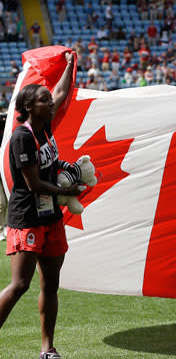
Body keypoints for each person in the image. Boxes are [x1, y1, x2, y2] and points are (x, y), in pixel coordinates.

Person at [0, 52, 84, 359]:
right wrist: (70, 188)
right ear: (27, 107)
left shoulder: (45, 128)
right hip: (27, 217)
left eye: (49, 100)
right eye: (44, 100)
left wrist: (71, 64)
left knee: (51, 285)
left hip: (50, 217)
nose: (51, 103)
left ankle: (47, 349)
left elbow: (61, 94)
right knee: (20, 284)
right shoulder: (22, 137)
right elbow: (33, 184)